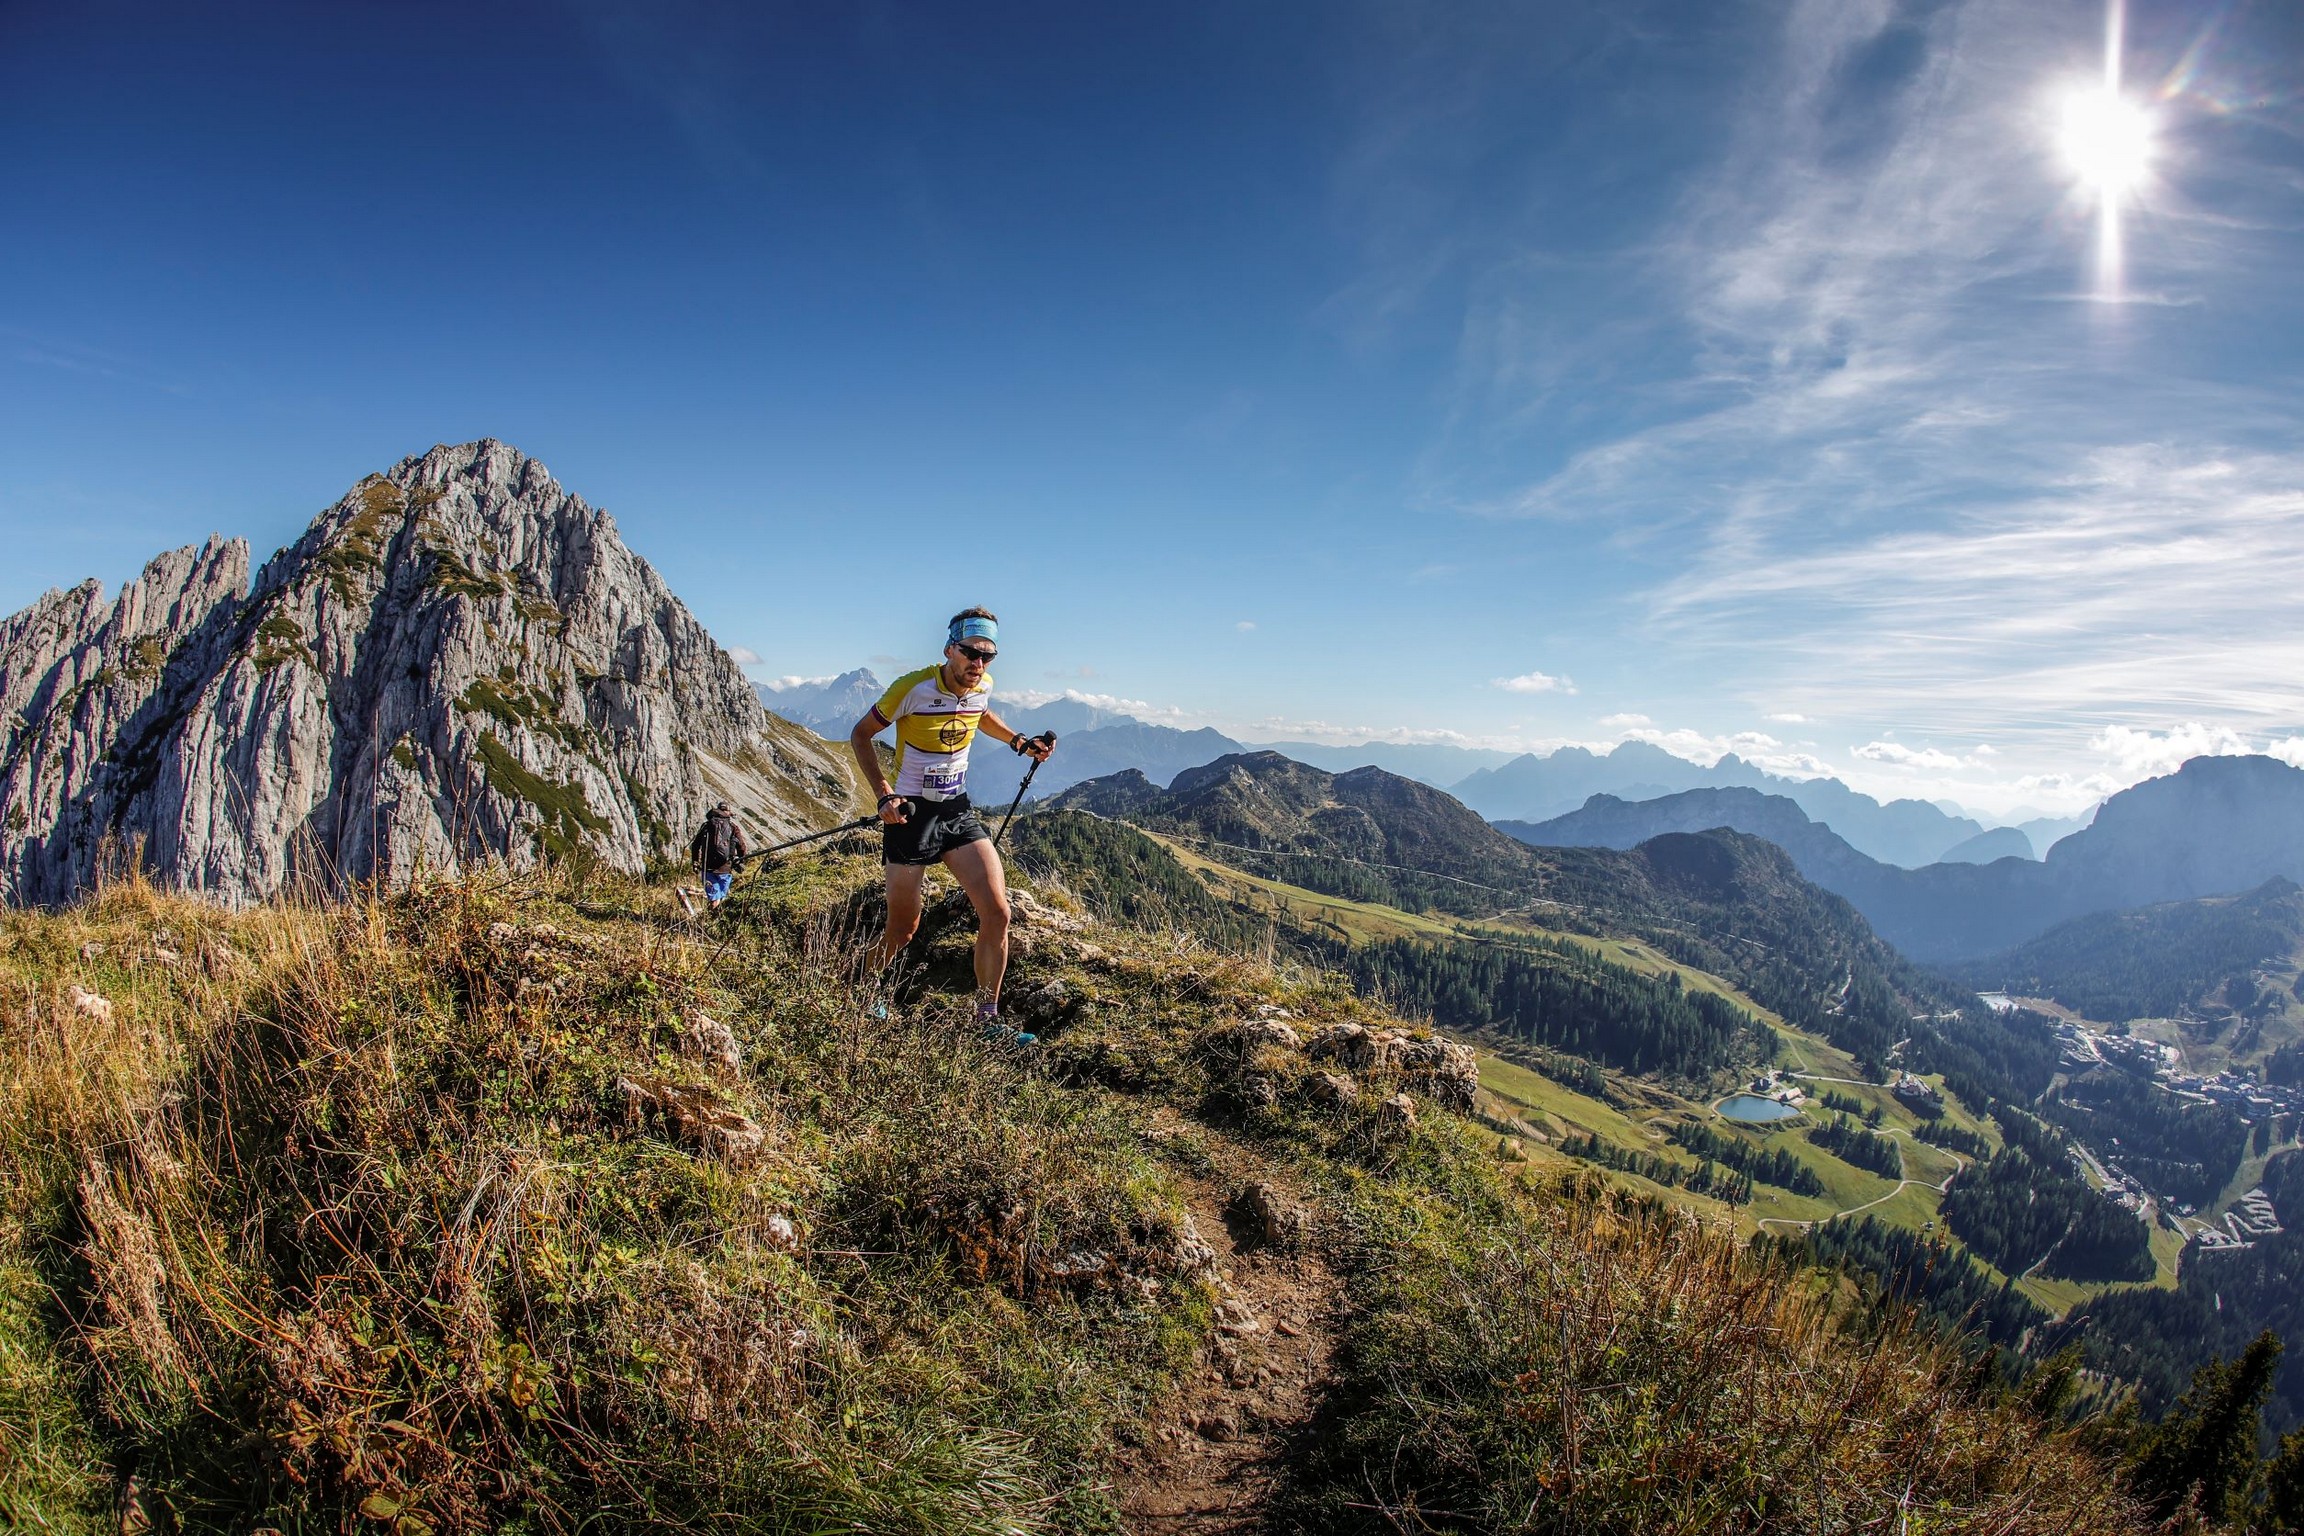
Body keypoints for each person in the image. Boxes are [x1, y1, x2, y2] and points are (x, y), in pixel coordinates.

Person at [848, 607, 1055, 1042]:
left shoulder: (982, 686)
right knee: (903, 929)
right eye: (970, 653)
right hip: (910, 815)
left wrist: (1019, 742)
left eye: (987, 656)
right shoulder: (912, 688)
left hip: (957, 811)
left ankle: (987, 1020)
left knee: (998, 912)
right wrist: (884, 794)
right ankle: (860, 986)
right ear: (949, 649)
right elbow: (861, 734)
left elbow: (981, 714)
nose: (978, 664)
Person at [689, 800, 748, 907]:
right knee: (722, 898)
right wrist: (741, 860)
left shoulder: (706, 825)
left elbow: (695, 845)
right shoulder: (732, 827)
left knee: (714, 899)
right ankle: (716, 915)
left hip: (708, 868)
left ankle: (711, 913)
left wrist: (695, 861)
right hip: (725, 868)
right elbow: (741, 846)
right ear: (728, 812)